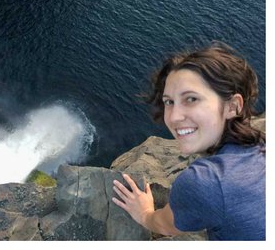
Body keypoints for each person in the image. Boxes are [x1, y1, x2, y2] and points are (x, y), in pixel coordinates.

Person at [112, 42, 265, 240]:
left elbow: (166, 225)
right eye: (169, 102)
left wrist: (144, 214)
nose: (174, 117)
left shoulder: (204, 182)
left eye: (191, 99)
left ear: (232, 106)